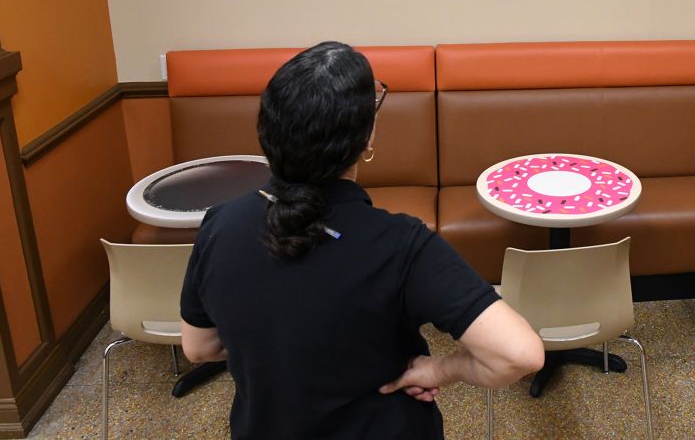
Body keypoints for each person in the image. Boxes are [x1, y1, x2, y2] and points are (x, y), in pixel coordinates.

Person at [180, 42, 543, 439]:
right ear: (366, 140)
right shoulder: (403, 245)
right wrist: (438, 368)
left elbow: (199, 348)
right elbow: (518, 354)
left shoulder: (218, 225)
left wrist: (277, 347)